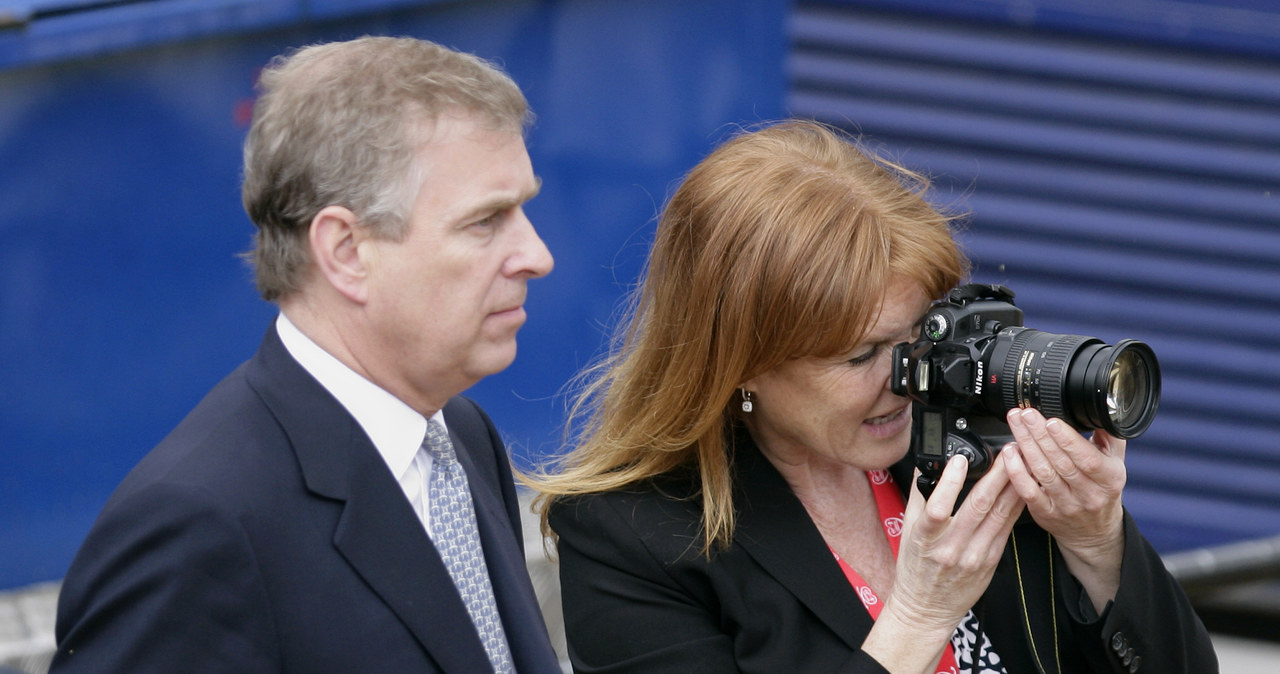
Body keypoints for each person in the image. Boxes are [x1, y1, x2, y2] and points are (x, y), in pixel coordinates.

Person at [528, 120, 1217, 673]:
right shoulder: (631, 538)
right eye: (859, 355)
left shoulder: (965, 447)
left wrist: (1097, 543)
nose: (909, 377)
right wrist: (916, 621)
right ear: (739, 363)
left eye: (920, 334)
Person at [53, 36, 561, 673]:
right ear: (346, 252)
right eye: (485, 221)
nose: (536, 255)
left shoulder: (460, 434)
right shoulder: (198, 524)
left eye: (523, 210)